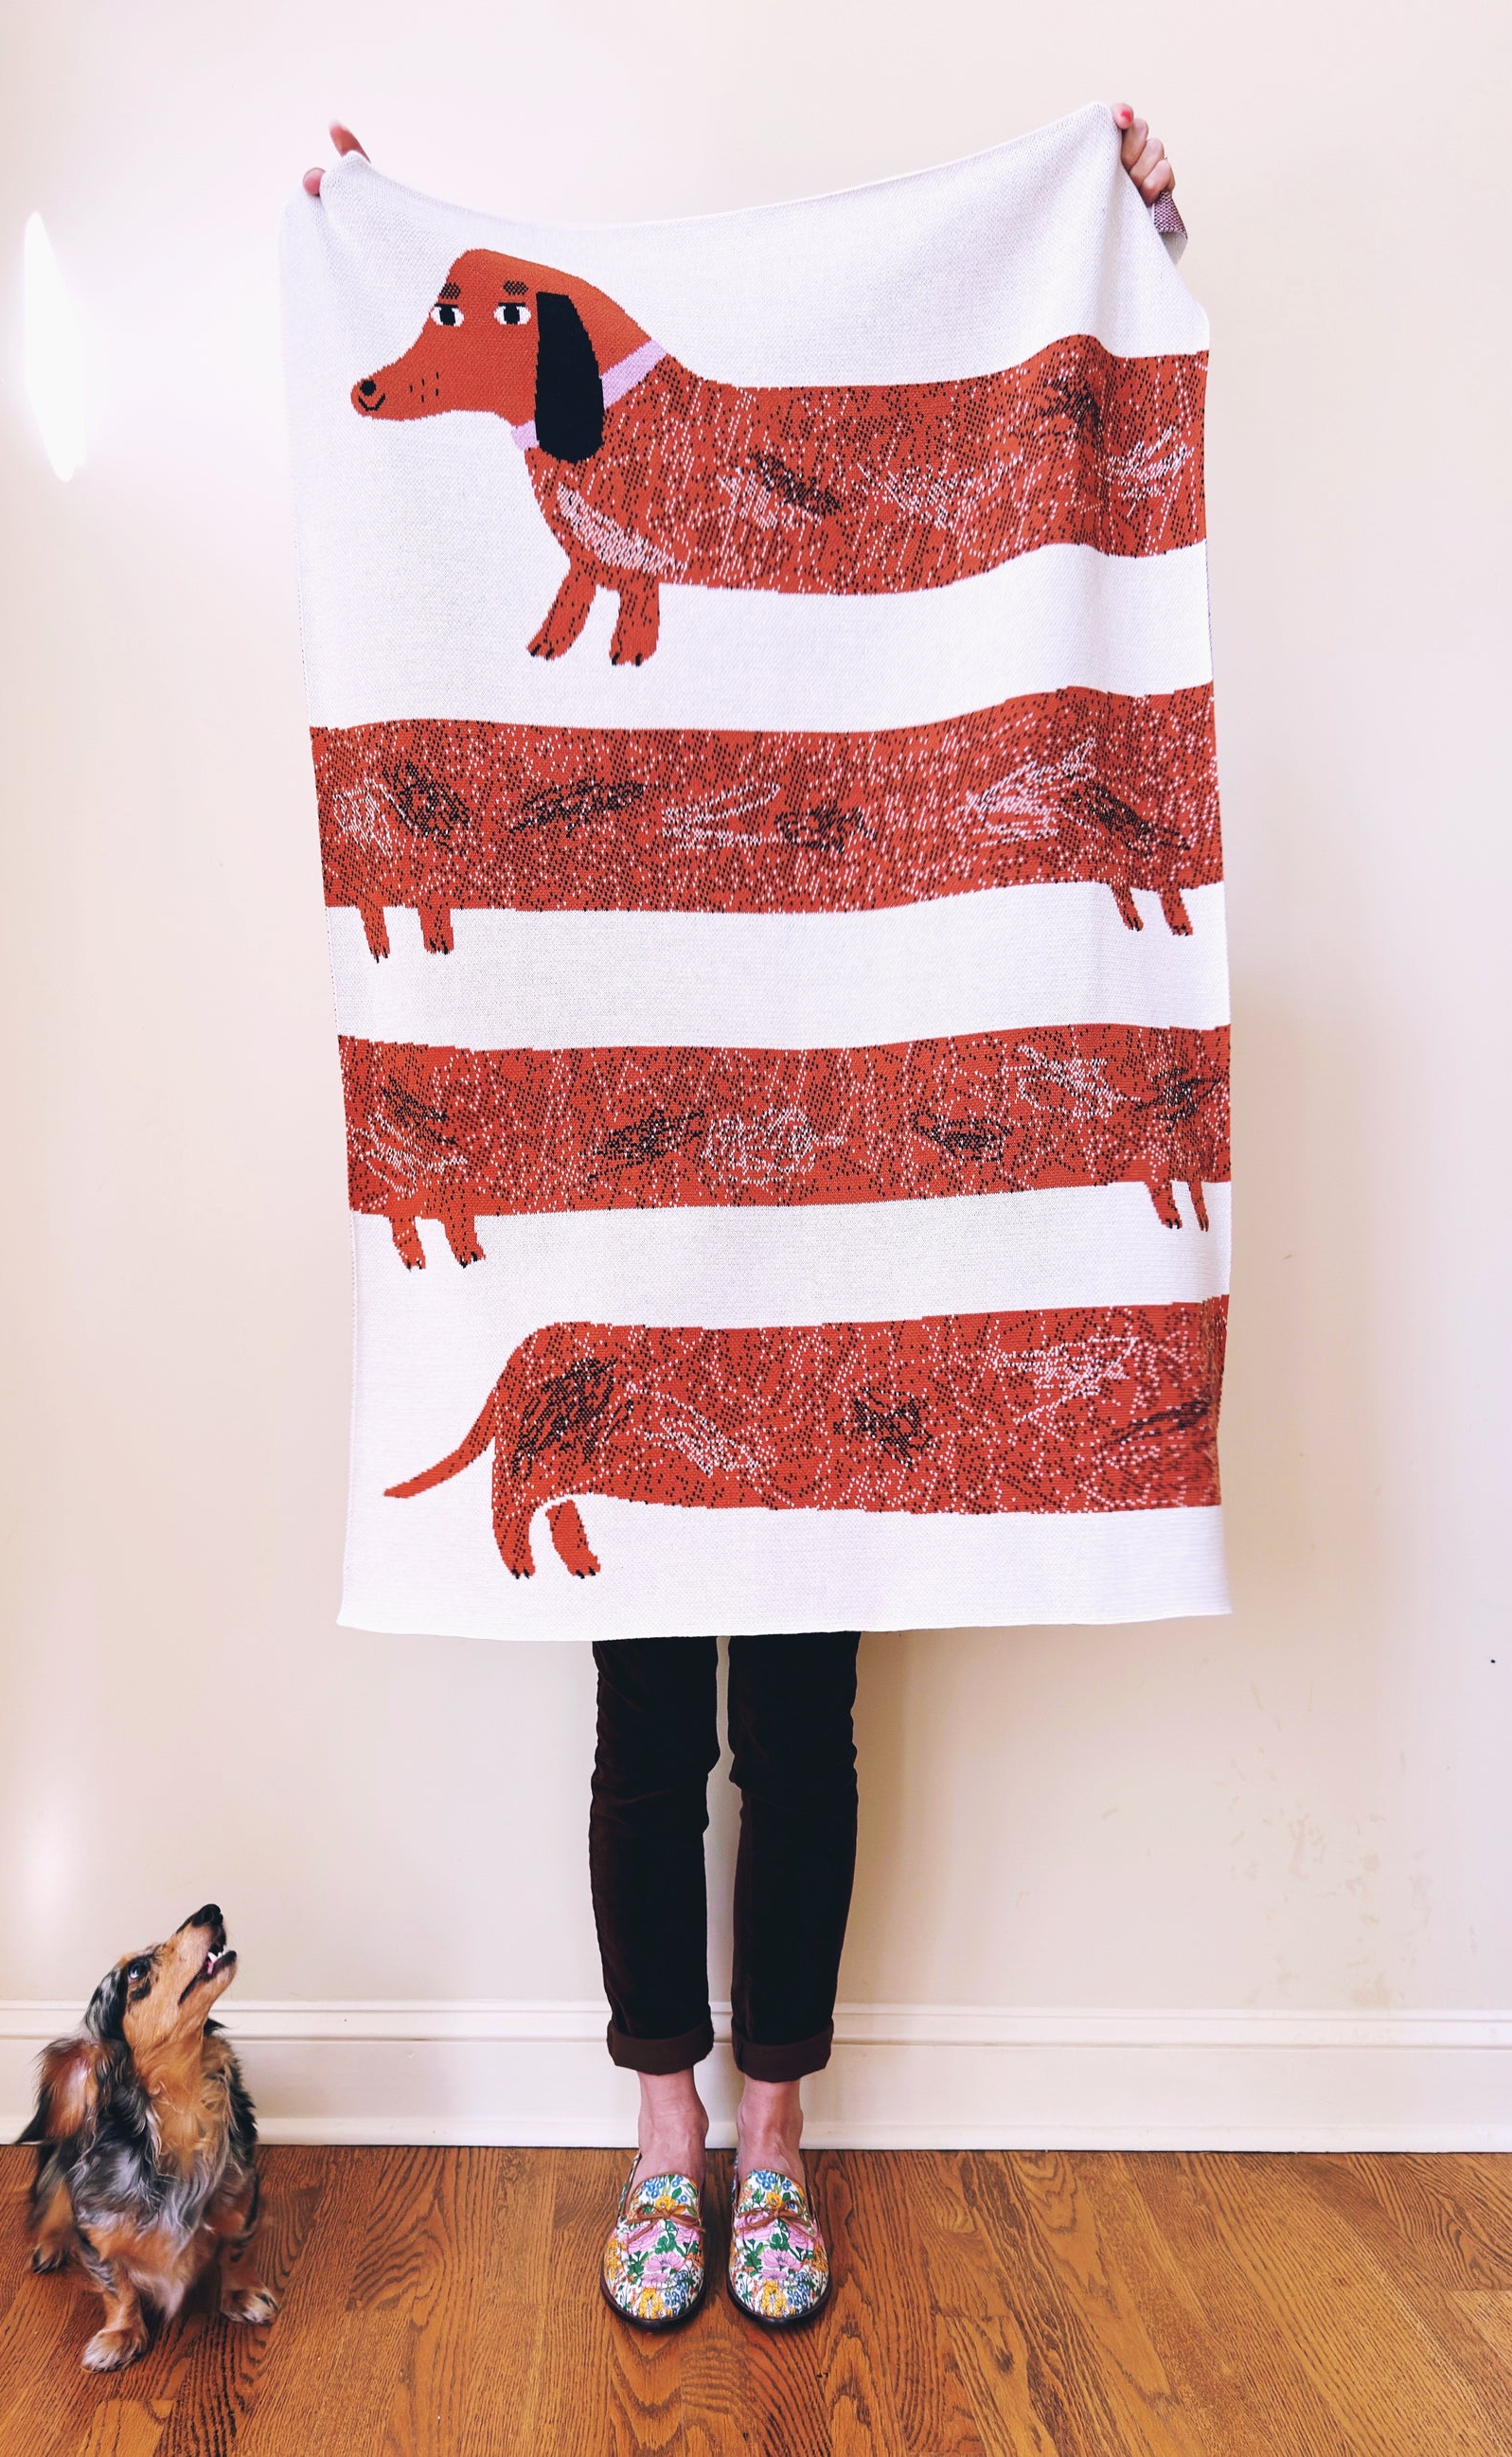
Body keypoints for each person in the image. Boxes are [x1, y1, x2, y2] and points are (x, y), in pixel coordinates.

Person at [301, 103, 1183, 2331]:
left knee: (800, 1726)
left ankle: (774, 2125)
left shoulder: (731, 449)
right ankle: (661, 2125)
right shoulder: (552, 427)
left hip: (835, 1210)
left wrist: (1120, 226)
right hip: (629, 1210)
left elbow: (1037, 408)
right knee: (639, 1729)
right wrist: (359, 231)